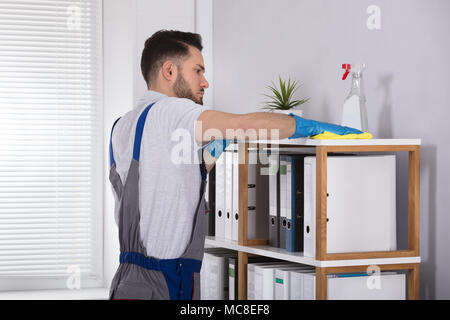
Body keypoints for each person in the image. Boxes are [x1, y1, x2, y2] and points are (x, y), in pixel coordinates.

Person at [108, 30, 361, 300]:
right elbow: (245, 125)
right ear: (169, 71)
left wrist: (205, 161)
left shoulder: (124, 125)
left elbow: (161, 185)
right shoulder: (172, 111)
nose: (205, 82)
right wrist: (306, 126)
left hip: (129, 281)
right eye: (197, 71)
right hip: (165, 283)